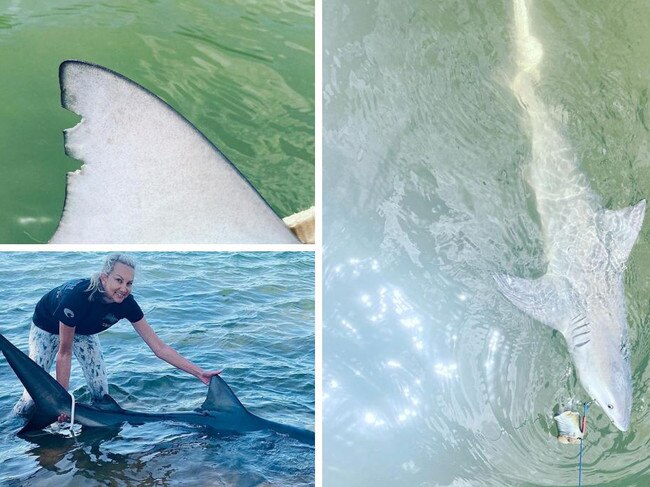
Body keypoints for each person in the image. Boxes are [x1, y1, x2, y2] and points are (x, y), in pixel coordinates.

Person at [13, 253, 221, 416]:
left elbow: (159, 348)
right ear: (104, 278)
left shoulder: (127, 305)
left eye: (129, 283)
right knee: (33, 397)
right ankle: (14, 428)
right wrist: (61, 403)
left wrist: (198, 372)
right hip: (48, 325)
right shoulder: (77, 298)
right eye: (119, 280)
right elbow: (64, 353)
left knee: (102, 393)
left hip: (85, 331)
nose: (124, 288)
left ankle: (95, 431)